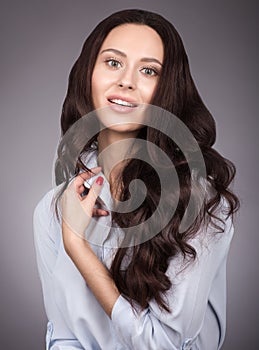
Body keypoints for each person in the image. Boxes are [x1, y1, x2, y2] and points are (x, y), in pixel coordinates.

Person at [33, 9, 239, 350]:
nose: (126, 81)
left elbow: (163, 346)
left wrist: (77, 246)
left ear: (166, 90)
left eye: (148, 70)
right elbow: (63, 338)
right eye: (113, 62)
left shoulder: (197, 201)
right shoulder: (51, 210)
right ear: (88, 74)